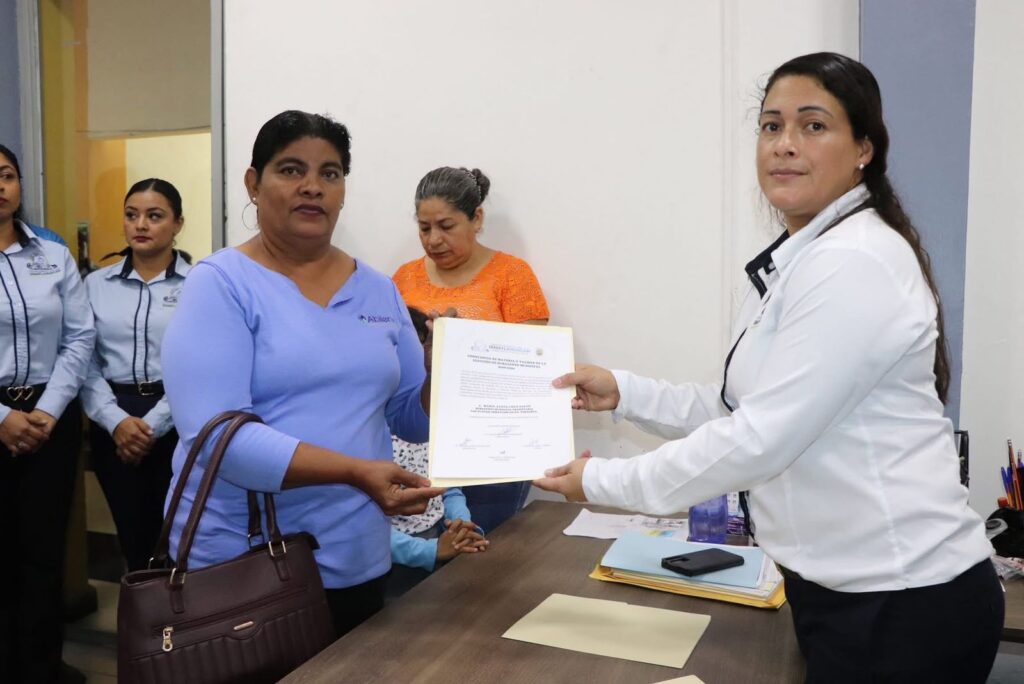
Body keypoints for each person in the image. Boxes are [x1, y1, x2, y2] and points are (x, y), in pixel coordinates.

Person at [534, 53, 1003, 683]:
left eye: (814, 126)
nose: (784, 145)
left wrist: (601, 481)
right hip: (852, 593)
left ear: (864, 149)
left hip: (903, 602)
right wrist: (625, 392)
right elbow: (740, 409)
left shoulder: (854, 262)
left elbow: (761, 438)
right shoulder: (805, 258)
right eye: (771, 126)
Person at [161, 111, 444, 638]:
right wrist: (356, 471)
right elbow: (219, 441)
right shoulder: (221, 284)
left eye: (330, 173)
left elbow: (411, 420)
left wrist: (437, 372)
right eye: (291, 170)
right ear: (253, 183)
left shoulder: (379, 289)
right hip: (244, 561)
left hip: (357, 553)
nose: (313, 186)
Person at [393, 166, 549, 532]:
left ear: (476, 218)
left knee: (482, 549)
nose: (434, 240)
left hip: (491, 446)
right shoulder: (403, 278)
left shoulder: (512, 275)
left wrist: (465, 342)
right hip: (416, 444)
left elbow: (531, 367)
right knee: (419, 553)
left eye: (446, 226)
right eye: (424, 228)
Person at [0, 143, 96, 683]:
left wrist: (48, 411)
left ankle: (41, 667)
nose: (0, 185)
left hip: (49, 420)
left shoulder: (53, 254)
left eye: (7, 175)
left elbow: (79, 336)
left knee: (44, 551)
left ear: (19, 186)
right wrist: (3, 419)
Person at [79, 178, 191, 573]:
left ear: (178, 224)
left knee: (179, 537)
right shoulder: (95, 285)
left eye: (154, 216)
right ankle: (144, 611)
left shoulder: (199, 284)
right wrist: (115, 421)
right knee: (133, 539)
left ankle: (181, 612)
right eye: (132, 215)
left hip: (178, 417)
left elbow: (199, 365)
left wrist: (152, 425)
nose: (140, 225)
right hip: (114, 419)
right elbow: (84, 359)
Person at [387, 306, 488, 599]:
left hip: (439, 542)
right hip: (396, 560)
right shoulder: (367, 431)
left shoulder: (433, 419)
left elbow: (449, 488)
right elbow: (361, 526)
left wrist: (461, 525)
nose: (420, 365)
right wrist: (430, 551)